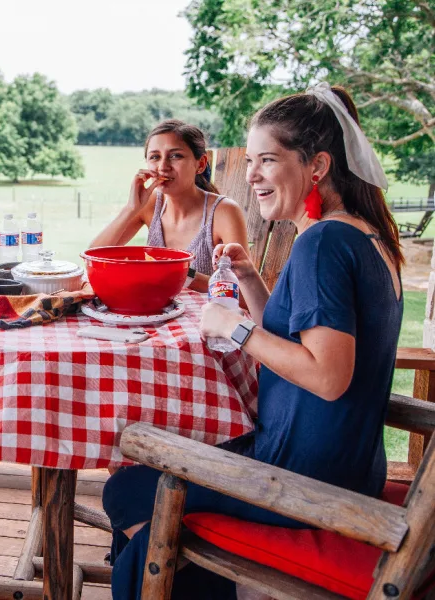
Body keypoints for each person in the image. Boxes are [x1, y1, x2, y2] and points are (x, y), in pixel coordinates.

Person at [101, 84, 403, 599]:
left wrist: (232, 328)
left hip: (302, 477)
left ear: (318, 166)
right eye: (251, 161)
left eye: (268, 160)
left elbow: (328, 376)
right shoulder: (367, 236)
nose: (252, 175)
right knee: (147, 509)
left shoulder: (323, 242)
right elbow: (299, 342)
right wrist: (249, 281)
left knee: (126, 491)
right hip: (348, 468)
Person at [90, 119, 249, 293]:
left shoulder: (224, 212)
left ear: (200, 164)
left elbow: (244, 294)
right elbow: (92, 257)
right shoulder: (151, 204)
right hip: (155, 306)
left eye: (175, 156)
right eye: (155, 157)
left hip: (205, 310)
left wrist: (183, 273)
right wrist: (131, 209)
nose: (163, 167)